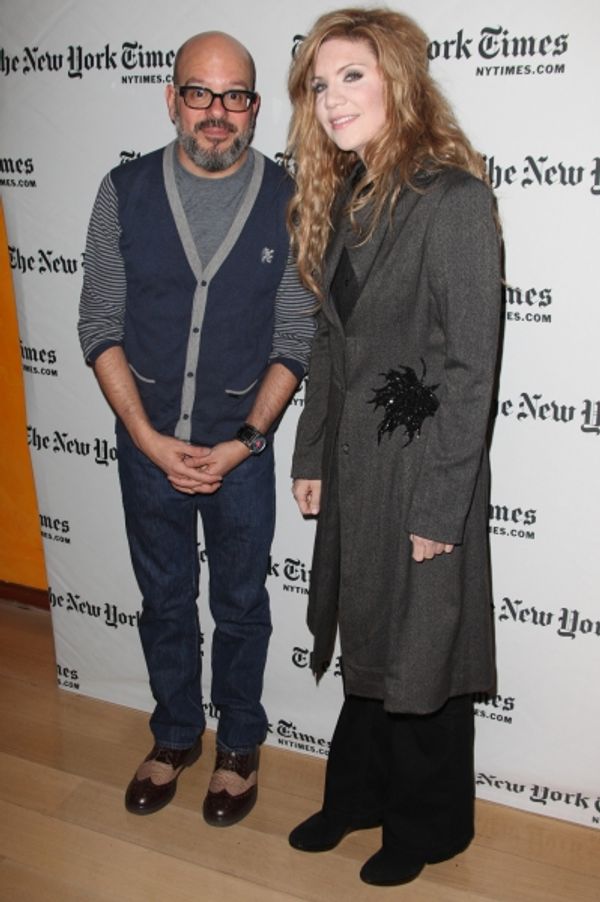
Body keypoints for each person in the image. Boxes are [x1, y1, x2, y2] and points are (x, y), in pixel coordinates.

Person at [285, 7, 502, 887]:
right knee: (367, 632)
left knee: (423, 651)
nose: (332, 99)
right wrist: (308, 453)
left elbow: (470, 368)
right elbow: (331, 344)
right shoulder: (344, 194)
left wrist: (440, 508)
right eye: (320, 82)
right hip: (354, 463)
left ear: (399, 81)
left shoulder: (453, 200)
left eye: (352, 77)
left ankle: (429, 825)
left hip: (420, 468)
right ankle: (360, 794)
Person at [78, 31, 315, 827]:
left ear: (256, 105)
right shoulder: (123, 189)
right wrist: (146, 438)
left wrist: (244, 441)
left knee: (242, 603)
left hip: (240, 451)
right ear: (172, 97)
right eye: (200, 93)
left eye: (236, 95)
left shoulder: (290, 198)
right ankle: (176, 733)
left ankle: (240, 743)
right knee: (166, 598)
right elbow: (98, 323)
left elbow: (296, 332)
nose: (218, 113)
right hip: (145, 446)